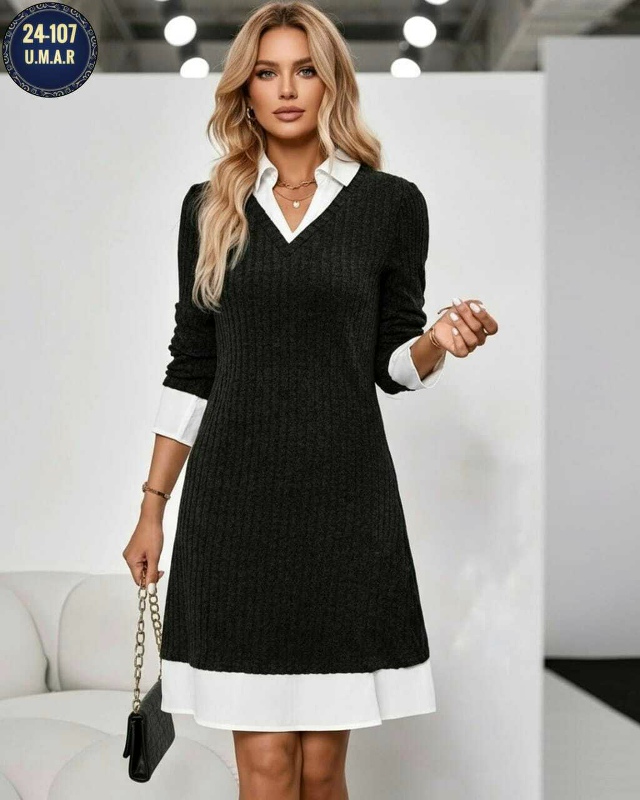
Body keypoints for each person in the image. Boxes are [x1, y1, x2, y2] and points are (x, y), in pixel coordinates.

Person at [122, 2, 498, 798]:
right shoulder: (208, 207)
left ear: (332, 84)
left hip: (344, 508)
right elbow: (193, 363)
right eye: (267, 72)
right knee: (264, 767)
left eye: (305, 70)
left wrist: (438, 340)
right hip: (234, 514)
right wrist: (153, 506)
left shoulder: (391, 205)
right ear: (245, 89)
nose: (287, 89)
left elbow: (391, 365)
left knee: (323, 772)